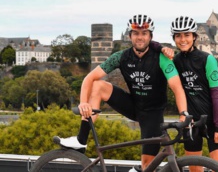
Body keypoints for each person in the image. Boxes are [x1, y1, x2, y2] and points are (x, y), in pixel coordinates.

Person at [57, 14, 187, 170]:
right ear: (130, 35)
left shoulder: (162, 58)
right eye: (136, 33)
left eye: (144, 33)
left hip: (153, 114)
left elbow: (176, 87)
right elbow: (89, 78)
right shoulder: (121, 57)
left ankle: (137, 169)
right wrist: (83, 102)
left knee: (147, 166)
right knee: (98, 85)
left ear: (150, 36)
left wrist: (183, 115)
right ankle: (81, 140)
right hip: (133, 105)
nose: (140, 37)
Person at [170, 16, 218, 172]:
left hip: (212, 122)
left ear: (194, 37)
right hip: (191, 124)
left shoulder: (207, 59)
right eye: (178, 36)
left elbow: (217, 95)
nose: (183, 39)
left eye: (187, 35)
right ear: (174, 38)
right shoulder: (175, 62)